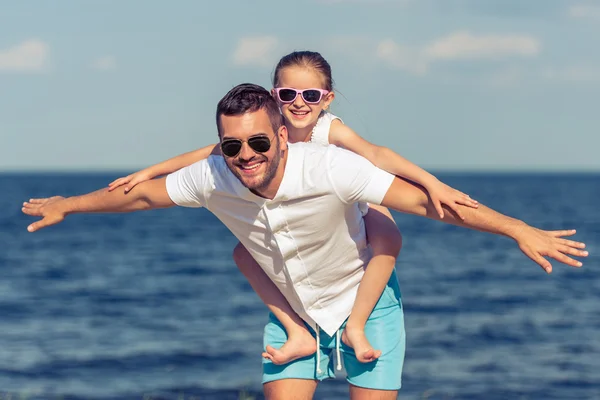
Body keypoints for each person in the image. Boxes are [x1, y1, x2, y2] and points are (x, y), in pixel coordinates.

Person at [22, 84, 587, 400]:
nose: (246, 156)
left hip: (365, 305)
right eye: (232, 145)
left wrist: (516, 227)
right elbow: (140, 197)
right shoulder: (214, 175)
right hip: (294, 316)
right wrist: (68, 204)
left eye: (258, 142)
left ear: (283, 140)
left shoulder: (332, 168)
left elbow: (427, 204)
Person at [106, 51, 480, 365]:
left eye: (311, 95)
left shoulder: (329, 130)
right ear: (275, 96)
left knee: (388, 237)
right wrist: (151, 171)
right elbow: (208, 153)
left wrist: (431, 183)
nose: (299, 102)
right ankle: (296, 331)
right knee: (243, 253)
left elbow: (377, 155)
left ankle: (357, 324)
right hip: (310, 213)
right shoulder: (263, 131)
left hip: (353, 198)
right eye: (288, 94)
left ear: (327, 99)